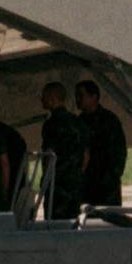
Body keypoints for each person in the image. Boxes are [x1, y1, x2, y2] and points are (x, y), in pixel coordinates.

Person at [74, 79, 128, 208]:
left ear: (94, 97)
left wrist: (111, 178)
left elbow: (119, 152)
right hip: (86, 186)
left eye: (81, 95)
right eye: (77, 96)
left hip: (106, 187)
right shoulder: (79, 122)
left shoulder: (109, 121)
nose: (77, 99)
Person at [39, 81, 88, 220]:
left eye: (44, 96)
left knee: (55, 223)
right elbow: (85, 156)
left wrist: (45, 181)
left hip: (57, 185)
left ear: (52, 98)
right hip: (75, 184)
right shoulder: (78, 122)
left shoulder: (51, 124)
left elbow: (48, 155)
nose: (41, 100)